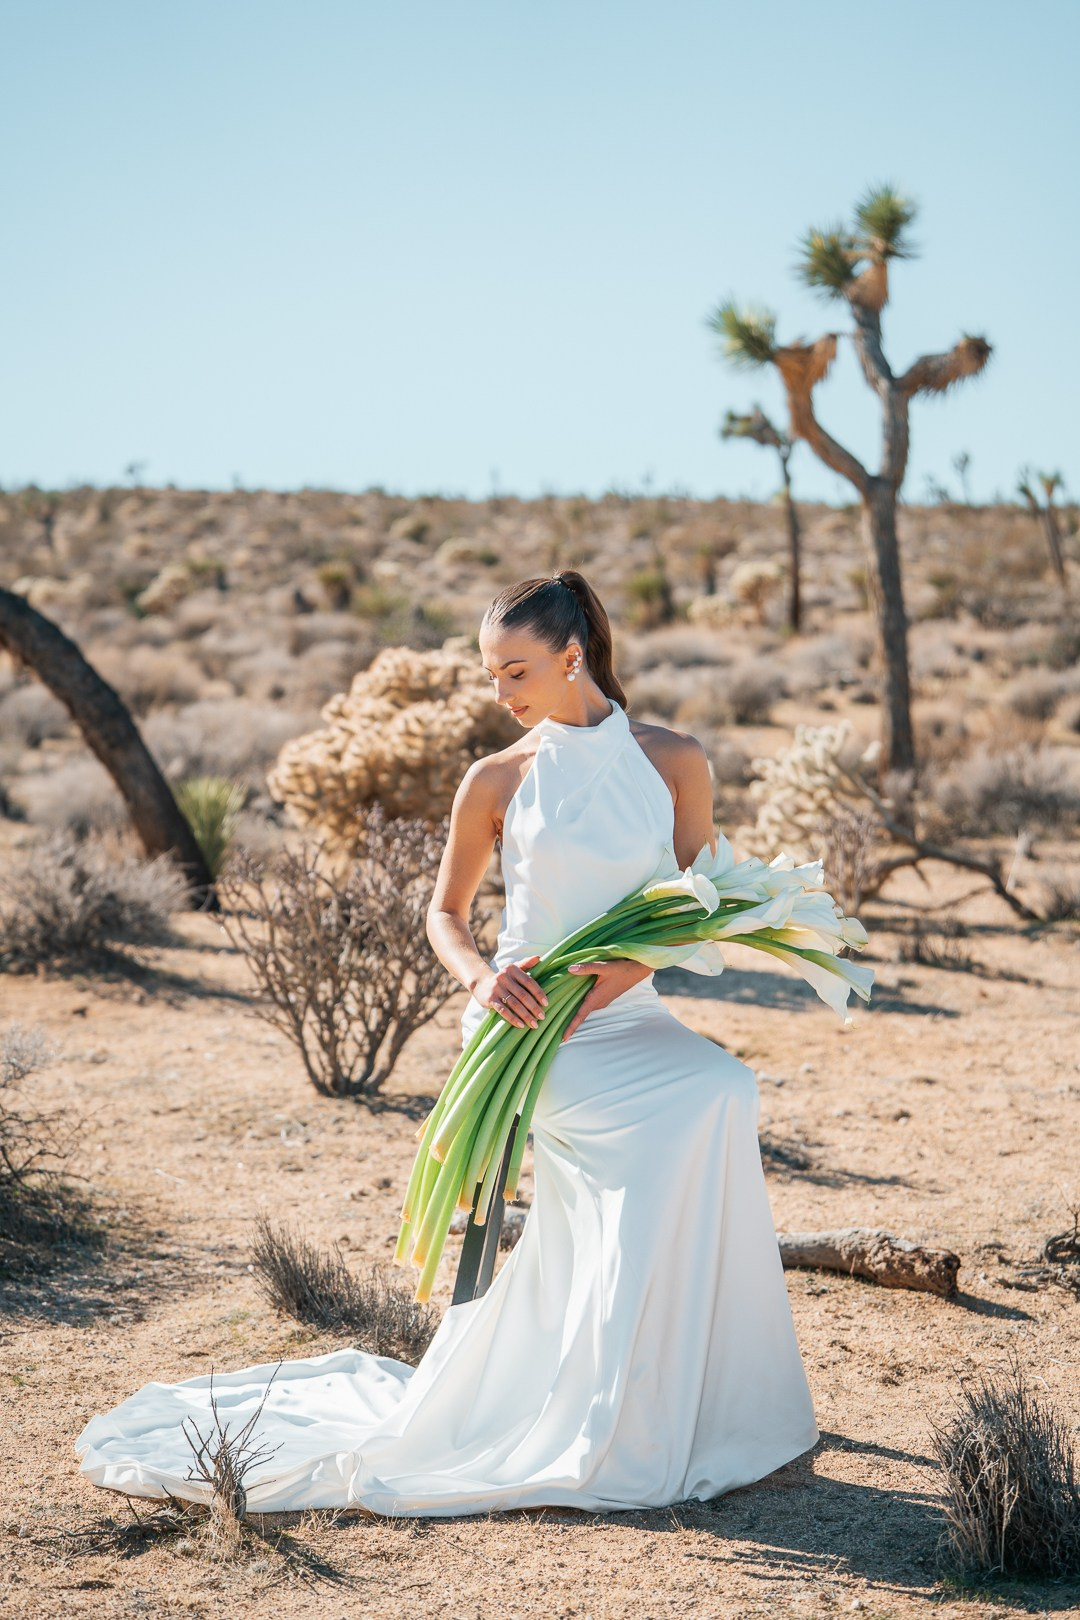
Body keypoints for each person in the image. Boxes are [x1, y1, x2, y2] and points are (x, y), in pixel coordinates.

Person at [76, 570, 818, 1516]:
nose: (499, 694)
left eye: (515, 671)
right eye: (489, 674)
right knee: (665, 1130)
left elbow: (694, 910)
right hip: (522, 1023)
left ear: (571, 656)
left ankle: (690, 1393)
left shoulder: (675, 760)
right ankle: (605, 1400)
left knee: (721, 1091)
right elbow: (445, 913)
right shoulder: (499, 777)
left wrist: (616, 979)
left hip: (624, 1010)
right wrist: (483, 979)